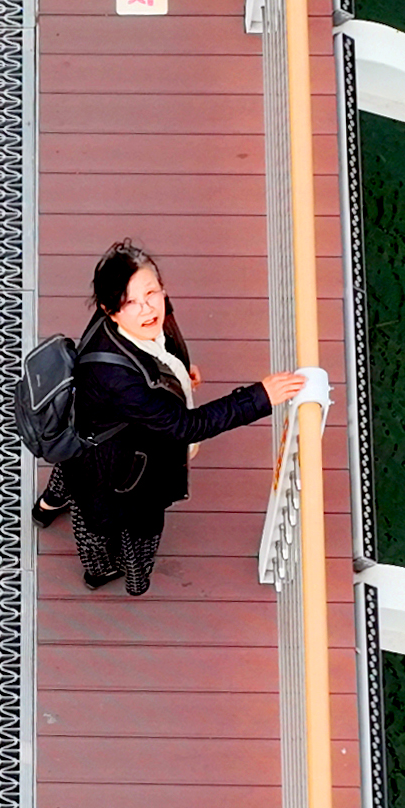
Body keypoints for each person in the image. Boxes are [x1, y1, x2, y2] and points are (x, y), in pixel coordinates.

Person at [47, 240, 304, 596]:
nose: (147, 308)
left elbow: (159, 355)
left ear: (162, 288)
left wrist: (180, 374)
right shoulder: (118, 379)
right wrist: (259, 397)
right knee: (137, 527)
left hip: (90, 445)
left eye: (152, 293)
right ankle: (123, 579)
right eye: (130, 303)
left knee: (82, 496)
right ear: (111, 310)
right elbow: (186, 426)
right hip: (119, 470)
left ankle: (47, 508)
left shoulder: (121, 328)